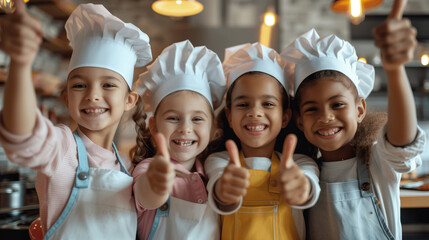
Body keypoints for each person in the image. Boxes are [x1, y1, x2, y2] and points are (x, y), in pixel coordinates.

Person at [0, 2, 152, 239]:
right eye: (79, 85)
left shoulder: (127, 166)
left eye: (108, 84)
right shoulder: (62, 148)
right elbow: (24, 135)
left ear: (129, 100)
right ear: (66, 99)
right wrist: (20, 64)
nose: (92, 94)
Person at [281, 1, 426, 239]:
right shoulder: (305, 174)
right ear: (298, 120)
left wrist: (395, 69)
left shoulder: (378, 164)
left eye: (337, 104)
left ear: (359, 110)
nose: (326, 116)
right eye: (311, 109)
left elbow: (402, 143)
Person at [204, 42, 320, 240]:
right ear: (229, 116)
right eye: (243, 104)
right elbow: (220, 189)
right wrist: (225, 190)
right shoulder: (219, 162)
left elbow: (308, 186)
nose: (255, 112)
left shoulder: (301, 163)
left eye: (267, 104)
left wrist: (301, 188)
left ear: (285, 116)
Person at [131, 40, 226, 240]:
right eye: (173, 118)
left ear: (213, 127)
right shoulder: (149, 169)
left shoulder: (211, 175)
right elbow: (146, 195)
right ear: (154, 126)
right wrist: (156, 184)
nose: (185, 128)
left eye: (197, 119)